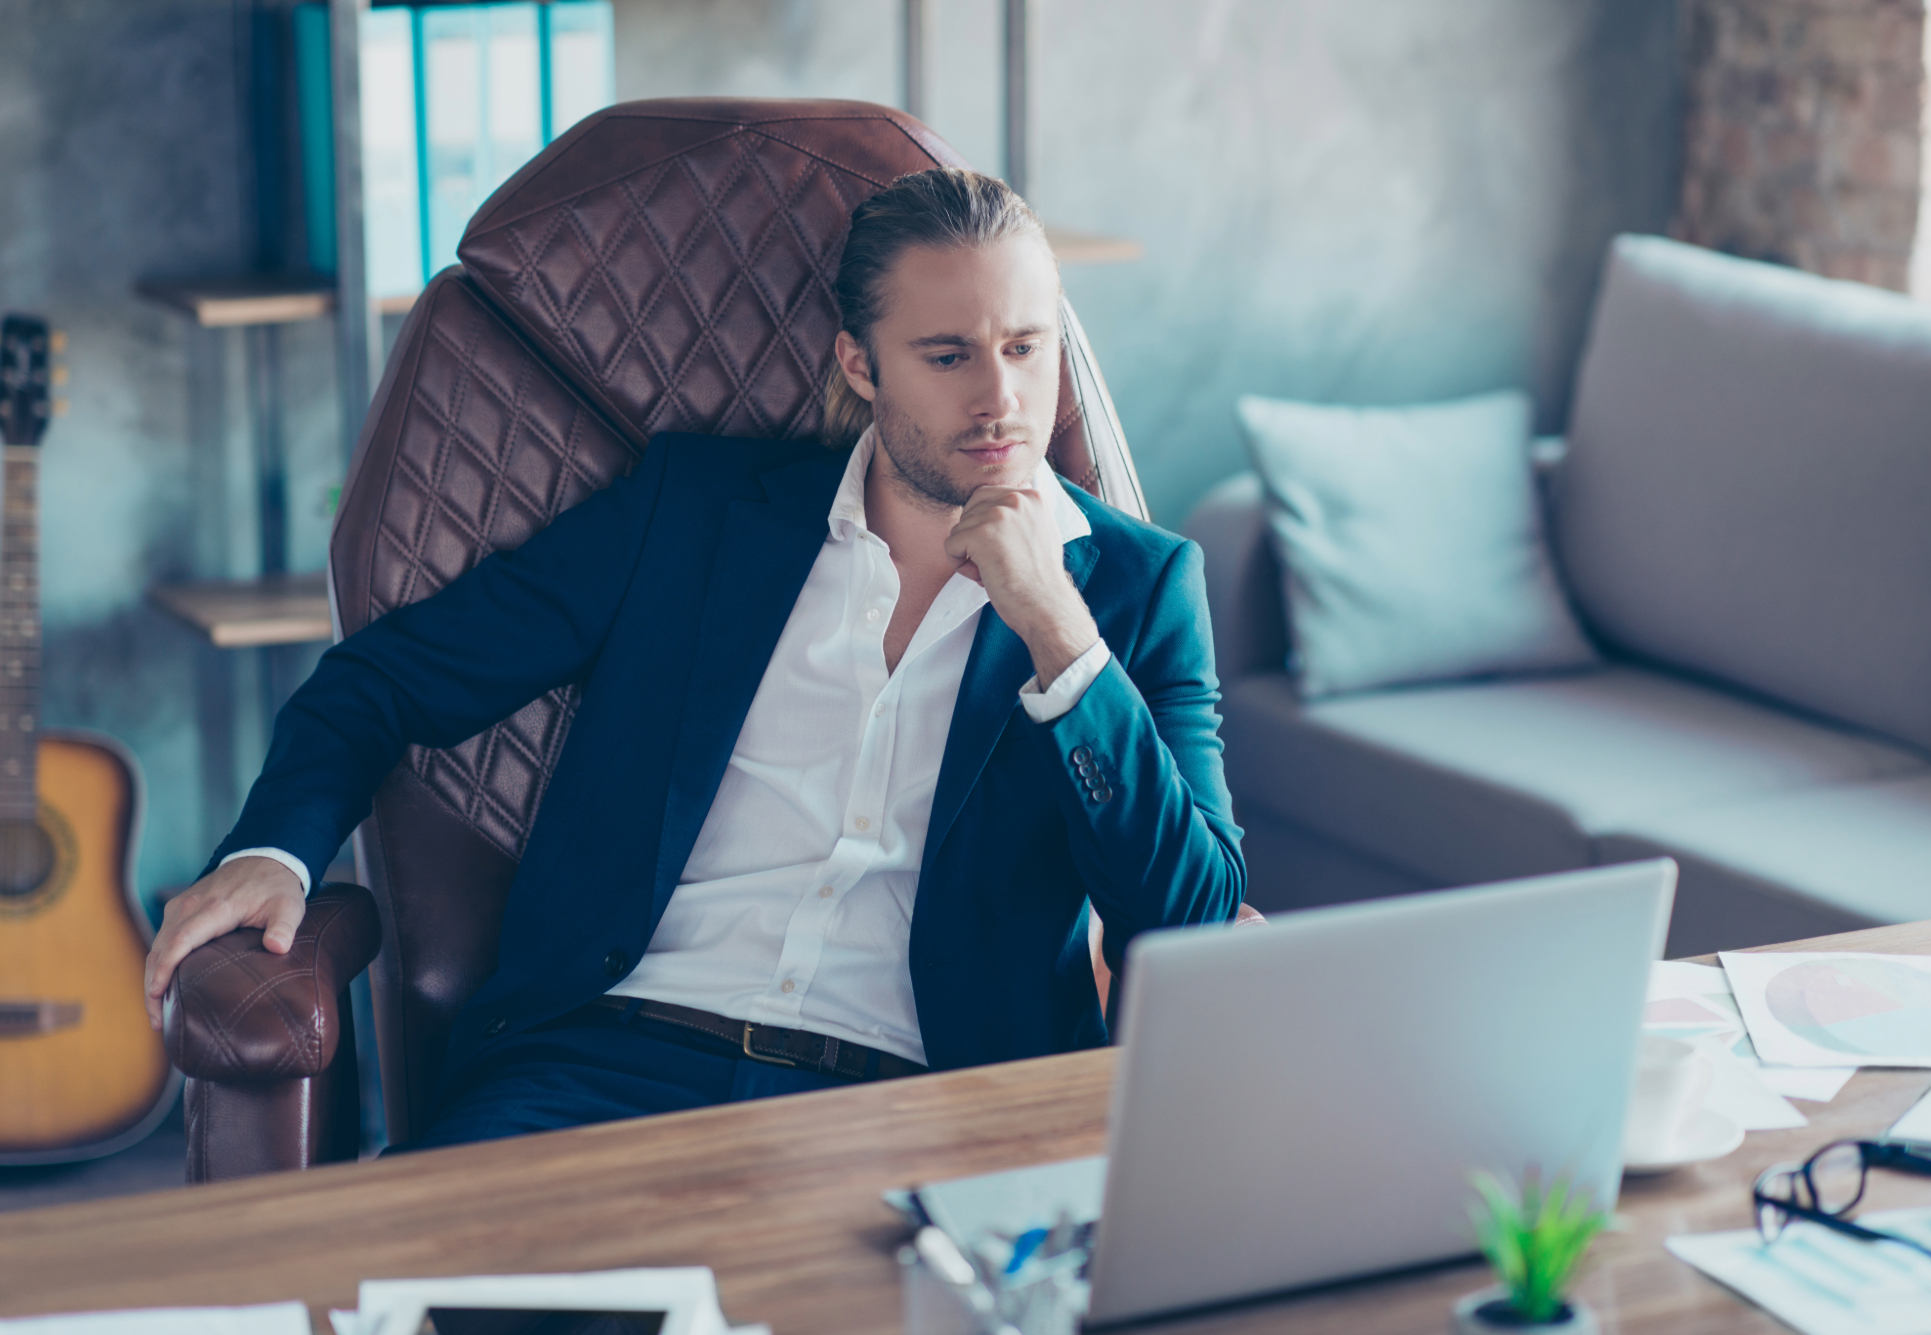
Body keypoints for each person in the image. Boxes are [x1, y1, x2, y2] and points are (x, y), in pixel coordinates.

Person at [141, 168, 1243, 1150]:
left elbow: (1189, 919)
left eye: (1024, 347)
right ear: (859, 364)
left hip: (920, 1109)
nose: (1000, 399)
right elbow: (382, 678)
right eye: (947, 355)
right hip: (600, 1071)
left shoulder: (1138, 590)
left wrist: (1059, 633)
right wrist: (273, 854)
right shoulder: (696, 515)